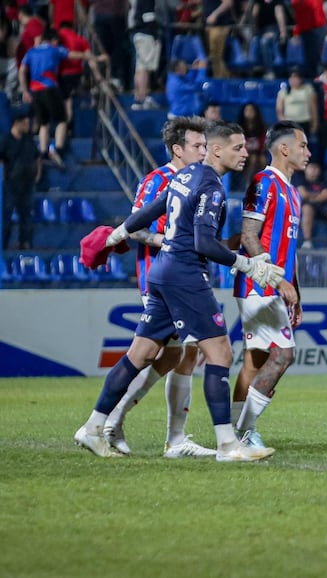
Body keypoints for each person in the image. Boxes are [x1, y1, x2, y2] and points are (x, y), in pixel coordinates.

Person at [74, 121, 286, 462]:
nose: (246, 153)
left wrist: (117, 235)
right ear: (218, 151)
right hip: (186, 275)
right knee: (220, 355)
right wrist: (249, 265)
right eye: (238, 148)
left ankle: (94, 426)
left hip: (161, 272)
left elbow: (152, 210)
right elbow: (203, 243)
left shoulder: (185, 176)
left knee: (140, 354)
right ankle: (228, 445)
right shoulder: (212, 186)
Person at [101, 116, 216, 458]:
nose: (203, 151)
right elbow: (133, 227)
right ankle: (116, 421)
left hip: (186, 275)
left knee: (178, 353)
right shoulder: (157, 179)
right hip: (161, 276)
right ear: (177, 149)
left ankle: (156, 433)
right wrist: (163, 239)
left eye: (205, 145)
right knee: (163, 352)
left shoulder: (199, 179)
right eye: (197, 145)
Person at [231, 121, 307, 454]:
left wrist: (296, 293)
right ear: (284, 148)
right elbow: (248, 236)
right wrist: (277, 280)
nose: (308, 152)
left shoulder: (292, 190)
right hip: (256, 285)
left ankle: (235, 433)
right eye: (303, 145)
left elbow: (290, 248)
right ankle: (244, 431)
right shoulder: (263, 182)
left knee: (254, 361)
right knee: (284, 355)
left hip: (274, 287)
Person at [18, 29, 94, 167]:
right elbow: (71, 55)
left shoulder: (31, 52)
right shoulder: (53, 49)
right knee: (62, 120)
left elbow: (22, 71)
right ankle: (57, 149)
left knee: (43, 122)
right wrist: (87, 55)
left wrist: (25, 90)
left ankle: (43, 151)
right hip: (50, 88)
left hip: (34, 91)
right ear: (53, 40)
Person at [0, 107, 40, 250]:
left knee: (26, 217)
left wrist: (37, 174)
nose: (27, 124)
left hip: (28, 184)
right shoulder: (5, 140)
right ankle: (3, 245)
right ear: (17, 123)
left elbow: (37, 157)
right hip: (11, 184)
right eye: (25, 122)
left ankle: (25, 244)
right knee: (6, 217)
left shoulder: (28, 140)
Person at [129, 0, 162, 110]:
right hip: (146, 34)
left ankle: (138, 98)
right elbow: (149, 18)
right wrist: (155, 35)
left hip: (138, 33)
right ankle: (143, 98)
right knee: (144, 68)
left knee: (139, 67)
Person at [296, 161, 327, 248]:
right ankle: (307, 241)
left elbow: (326, 195)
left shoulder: (324, 179)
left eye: (316, 168)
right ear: (306, 169)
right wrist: (318, 195)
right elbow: (303, 194)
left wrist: (310, 196)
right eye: (311, 168)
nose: (314, 170)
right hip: (306, 207)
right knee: (307, 208)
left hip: (322, 207)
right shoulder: (300, 179)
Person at [275, 68, 318, 142]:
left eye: (295, 77)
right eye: (291, 77)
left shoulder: (308, 89)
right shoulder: (283, 92)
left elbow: (313, 107)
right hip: (290, 124)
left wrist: (315, 123)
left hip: (305, 122)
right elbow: (279, 110)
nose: (293, 80)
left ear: (301, 79)